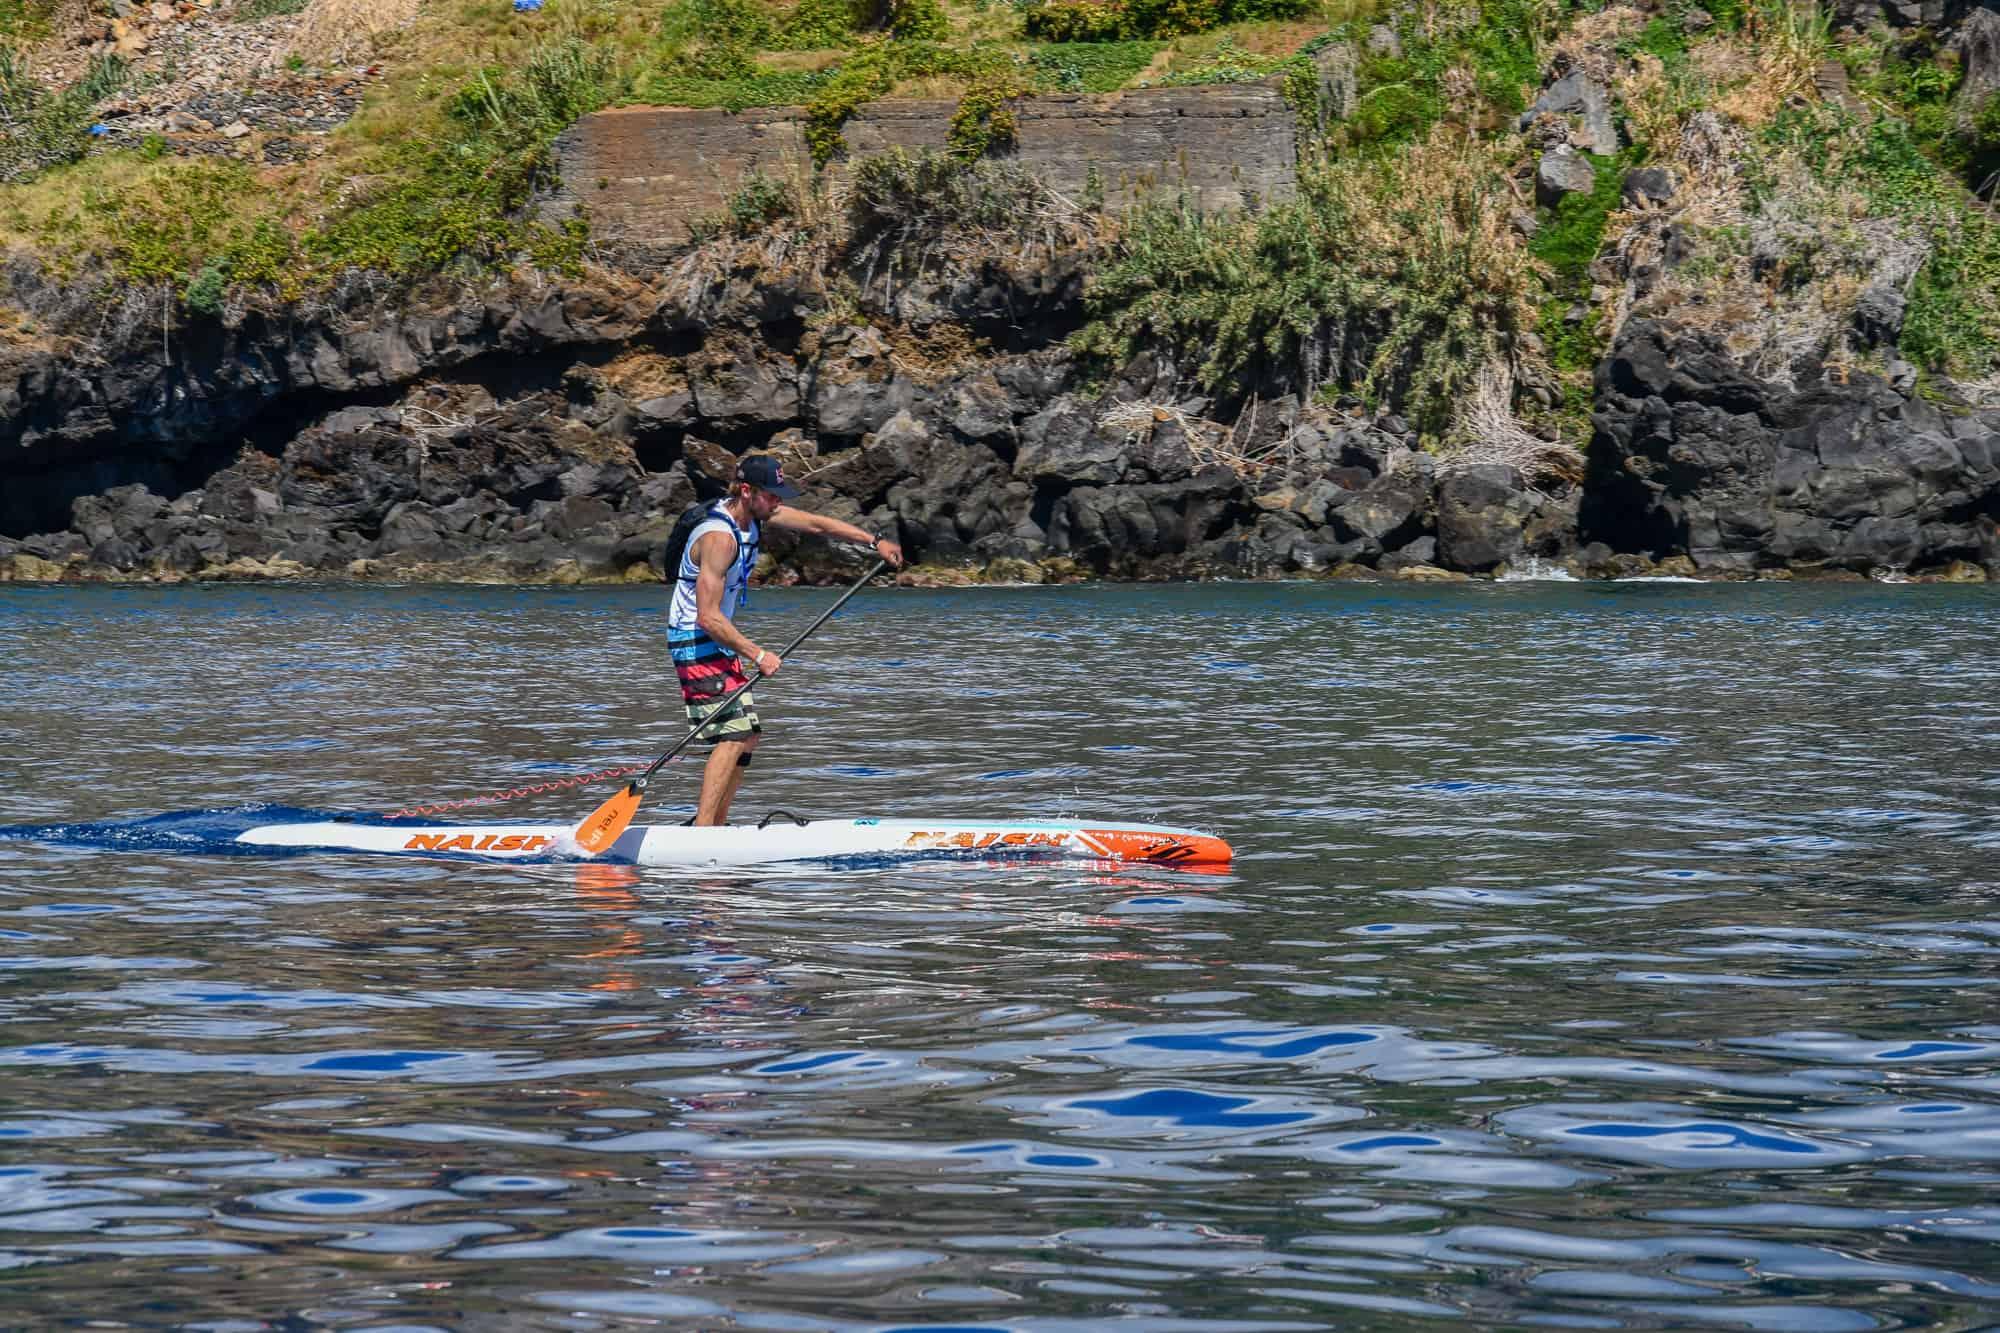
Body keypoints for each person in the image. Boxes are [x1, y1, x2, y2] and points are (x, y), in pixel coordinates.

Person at [667, 454, 904, 826]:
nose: (778, 502)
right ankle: (703, 832)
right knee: (734, 735)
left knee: (747, 737)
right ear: (747, 491)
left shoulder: (757, 514)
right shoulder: (719, 538)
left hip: (718, 639)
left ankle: (715, 826)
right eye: (771, 495)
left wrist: (874, 541)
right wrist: (758, 653)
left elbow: (816, 524)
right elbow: (707, 616)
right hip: (694, 640)